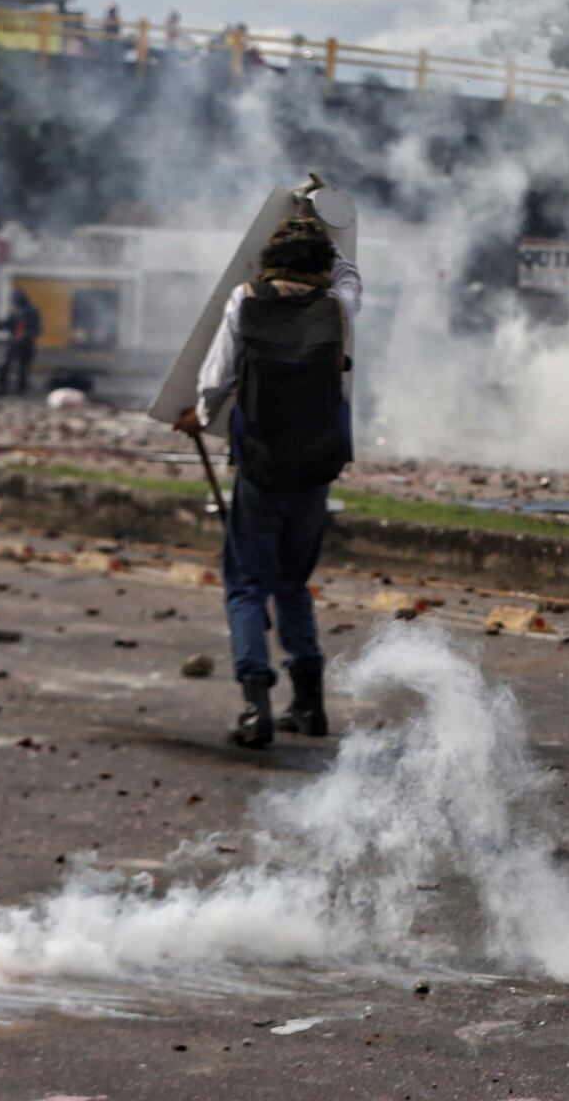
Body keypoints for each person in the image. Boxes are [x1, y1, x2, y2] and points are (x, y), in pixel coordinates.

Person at [173, 217, 361, 749]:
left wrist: (198, 417)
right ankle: (309, 704)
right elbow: (351, 276)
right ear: (322, 266)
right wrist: (328, 225)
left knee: (247, 584)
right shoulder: (339, 307)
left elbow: (215, 378)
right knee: (293, 582)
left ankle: (256, 706)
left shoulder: (246, 298)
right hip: (317, 463)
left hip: (260, 462)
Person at [0, 289, 41, 396]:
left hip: (26, 345)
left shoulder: (32, 311)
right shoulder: (14, 312)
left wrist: (26, 335)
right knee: (6, 366)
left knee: (23, 369)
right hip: (14, 344)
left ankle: (21, 390)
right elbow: (6, 325)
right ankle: (2, 389)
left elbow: (37, 329)